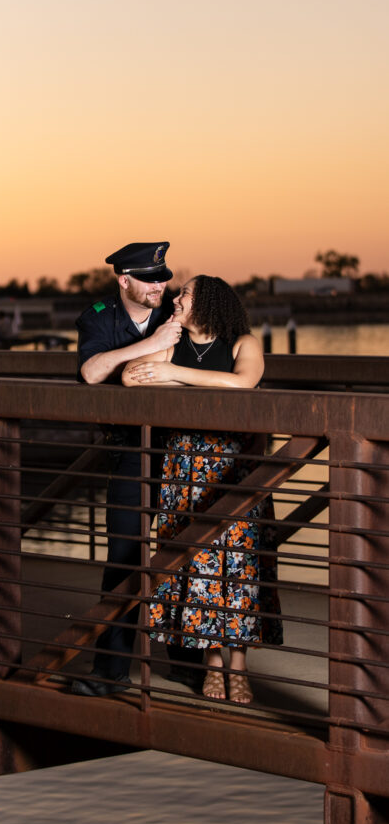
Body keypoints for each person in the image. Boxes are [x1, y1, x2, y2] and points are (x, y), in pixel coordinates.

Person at [123, 275, 283, 703]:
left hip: (232, 468)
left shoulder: (242, 343)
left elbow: (243, 383)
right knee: (194, 568)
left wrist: (173, 375)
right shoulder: (174, 343)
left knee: (238, 568)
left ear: (208, 301)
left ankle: (239, 667)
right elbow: (131, 379)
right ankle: (213, 665)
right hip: (184, 469)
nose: (176, 298)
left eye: (185, 293)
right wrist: (169, 366)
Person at [71, 240, 205, 698]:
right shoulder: (99, 315)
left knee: (183, 555)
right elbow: (91, 373)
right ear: (123, 279)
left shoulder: (183, 308)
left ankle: (189, 665)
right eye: (149, 279)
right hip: (132, 451)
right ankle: (110, 671)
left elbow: (225, 349)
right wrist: (153, 344)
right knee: (124, 557)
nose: (160, 285)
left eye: (163, 277)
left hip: (184, 447)